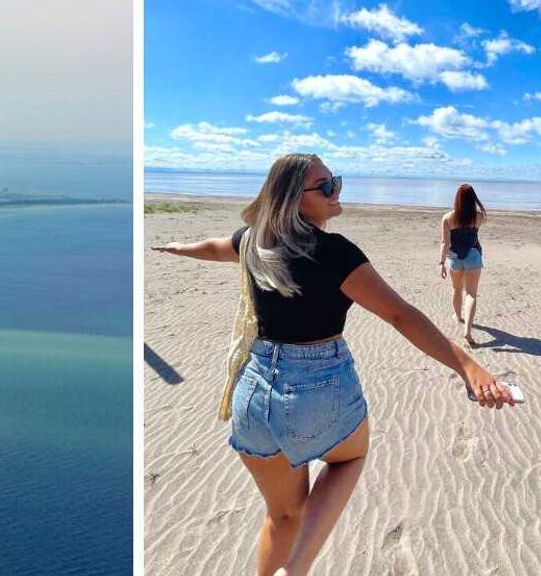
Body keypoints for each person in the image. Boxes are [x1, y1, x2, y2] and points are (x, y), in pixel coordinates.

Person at [152, 154, 515, 576]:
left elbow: (216, 248)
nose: (336, 191)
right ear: (293, 198)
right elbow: (400, 315)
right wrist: (467, 366)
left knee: (283, 514)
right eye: (326, 186)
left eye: (335, 181)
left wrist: (179, 248)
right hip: (316, 387)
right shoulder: (335, 253)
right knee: (348, 459)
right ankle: (297, 568)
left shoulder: (254, 242)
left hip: (251, 395)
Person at [439, 184, 487, 346]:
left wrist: (441, 262)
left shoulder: (448, 218)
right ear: (473, 199)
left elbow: (445, 243)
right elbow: (474, 232)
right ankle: (467, 330)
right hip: (473, 255)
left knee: (456, 288)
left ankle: (458, 316)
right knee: (471, 294)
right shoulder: (479, 217)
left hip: (454, 257)